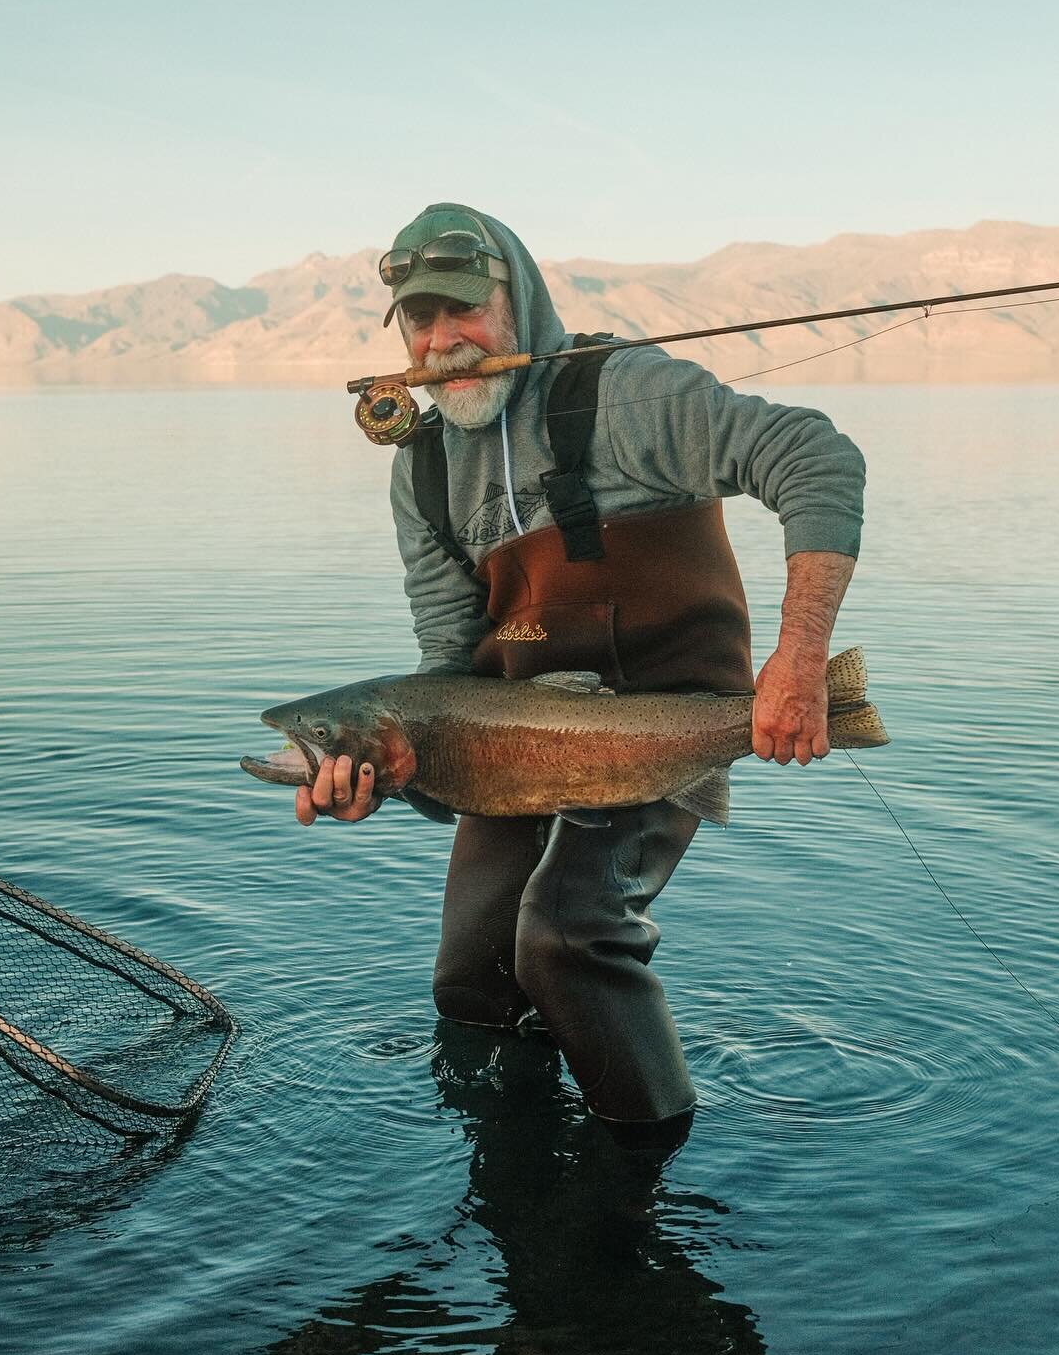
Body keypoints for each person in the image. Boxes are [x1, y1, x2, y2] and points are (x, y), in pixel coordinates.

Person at [295, 203, 865, 1141]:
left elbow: (817, 458)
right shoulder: (425, 470)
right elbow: (447, 665)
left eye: (465, 312)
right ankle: (524, 1166)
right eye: (420, 322)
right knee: (470, 980)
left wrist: (800, 660)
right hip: (516, 736)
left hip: (666, 721)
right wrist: (389, 772)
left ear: (518, 298)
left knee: (566, 935)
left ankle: (645, 1151)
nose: (444, 343)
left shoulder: (627, 393)